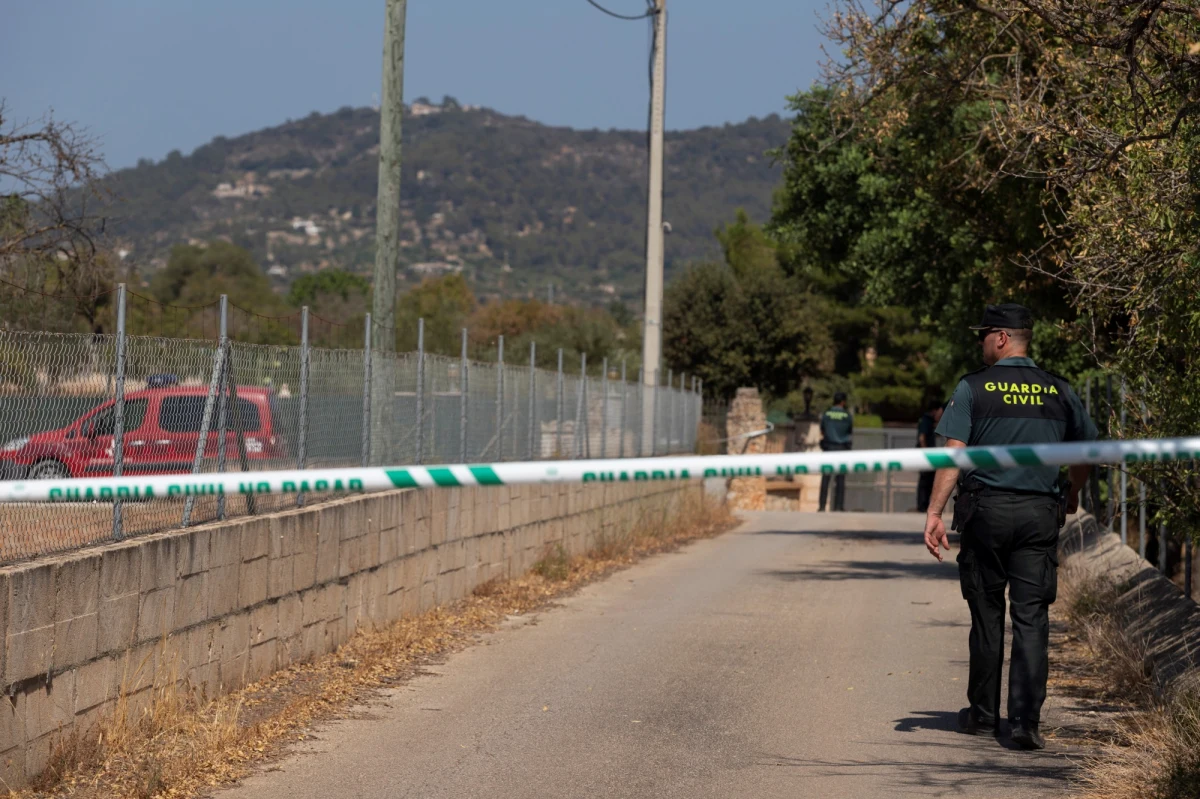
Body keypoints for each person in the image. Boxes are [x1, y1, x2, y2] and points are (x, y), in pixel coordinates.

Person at [923, 303, 1097, 751]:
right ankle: (1024, 724)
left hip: (987, 513)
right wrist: (1073, 493)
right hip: (1039, 514)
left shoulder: (972, 388)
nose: (980, 342)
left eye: (984, 334)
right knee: (1031, 617)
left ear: (1001, 337)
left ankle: (982, 717)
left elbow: (954, 454)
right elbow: (1083, 456)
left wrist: (934, 513)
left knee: (986, 615)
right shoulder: (1060, 390)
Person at [818, 392, 853, 512]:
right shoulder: (847, 415)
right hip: (842, 449)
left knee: (825, 478)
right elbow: (849, 432)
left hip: (828, 448)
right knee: (840, 479)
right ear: (843, 402)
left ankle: (822, 506)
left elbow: (822, 430)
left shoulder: (827, 414)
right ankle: (839, 506)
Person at [915, 400, 945, 513]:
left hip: (931, 455)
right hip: (926, 455)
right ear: (935, 411)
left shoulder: (930, 421)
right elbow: (922, 437)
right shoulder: (926, 420)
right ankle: (922, 505)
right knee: (925, 481)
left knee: (930, 481)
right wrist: (925, 453)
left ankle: (926, 505)